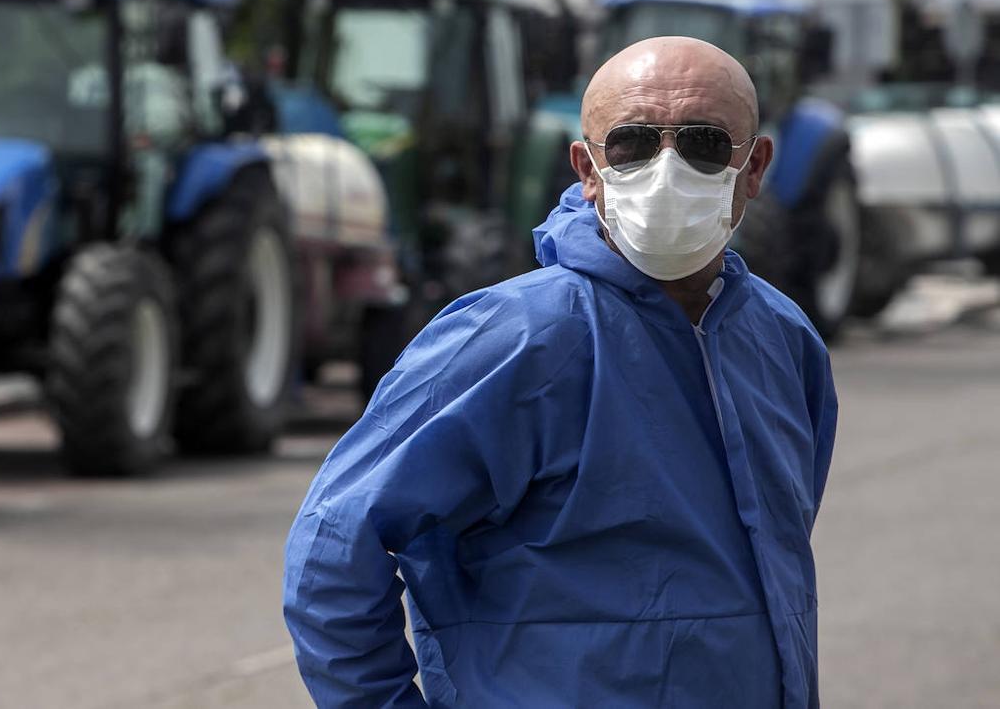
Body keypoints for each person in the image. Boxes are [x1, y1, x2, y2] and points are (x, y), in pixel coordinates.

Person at [282, 36, 838, 708]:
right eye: (632, 144)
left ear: (754, 168)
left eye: (704, 143)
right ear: (588, 166)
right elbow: (332, 555)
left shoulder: (783, 342)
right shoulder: (515, 339)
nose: (668, 172)